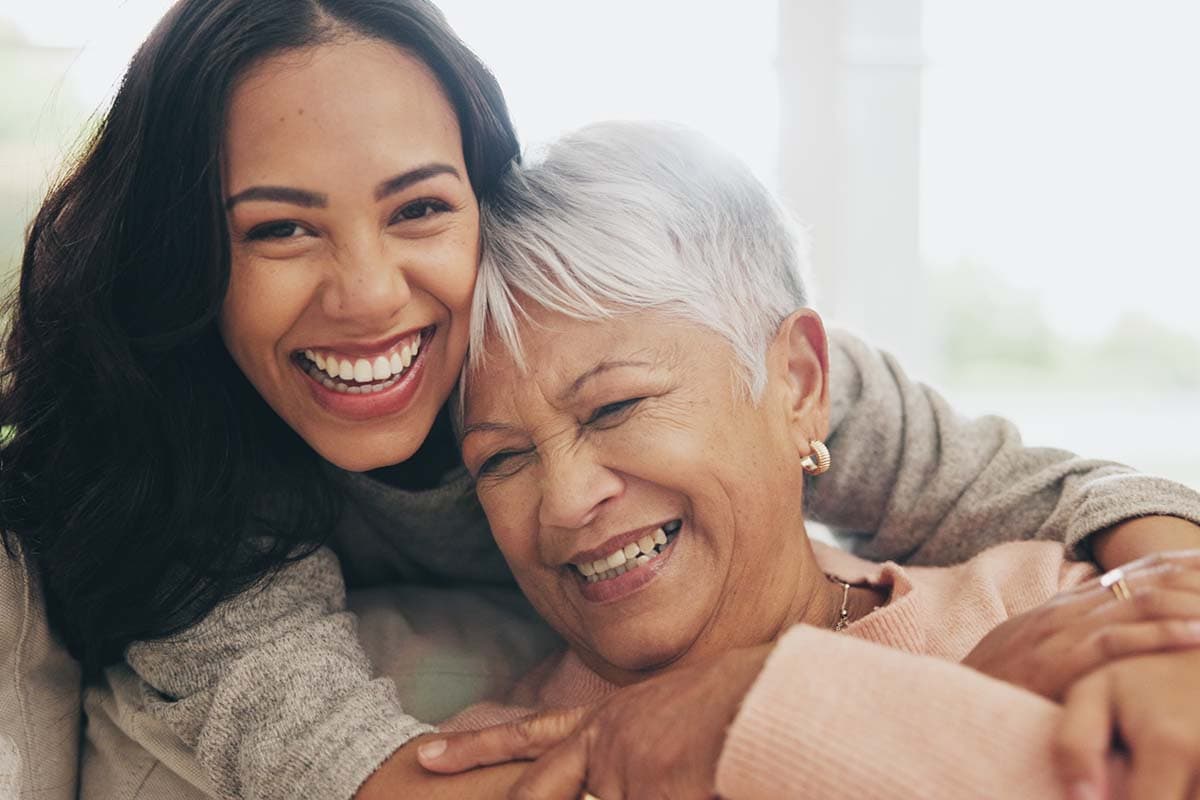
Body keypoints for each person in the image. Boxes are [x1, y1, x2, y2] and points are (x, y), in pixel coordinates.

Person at [1, 1, 1199, 798]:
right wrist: (829, 702)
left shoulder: (624, 327)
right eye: (278, 228)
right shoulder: (183, 508)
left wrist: (1171, 611)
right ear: (187, 258)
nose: (368, 293)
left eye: (419, 205)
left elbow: (1065, 493)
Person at [418, 120, 1200, 799]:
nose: (563, 499)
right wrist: (956, 699)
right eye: (502, 460)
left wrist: (791, 711)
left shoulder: (1053, 608)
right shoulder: (486, 767)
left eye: (615, 407)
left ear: (797, 384)